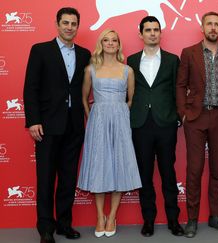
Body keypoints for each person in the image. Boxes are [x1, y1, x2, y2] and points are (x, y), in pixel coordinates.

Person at [23, 7, 91, 243]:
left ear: (77, 26)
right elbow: (30, 88)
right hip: (47, 126)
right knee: (45, 179)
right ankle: (45, 229)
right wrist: (33, 121)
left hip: (74, 126)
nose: (69, 27)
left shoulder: (85, 54)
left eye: (73, 23)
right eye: (65, 23)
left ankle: (64, 224)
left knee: (68, 178)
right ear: (57, 24)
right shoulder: (41, 50)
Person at [77, 29, 141, 238]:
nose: (111, 43)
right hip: (98, 122)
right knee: (99, 167)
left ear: (119, 44)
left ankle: (112, 216)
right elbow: (85, 98)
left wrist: (120, 113)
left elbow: (131, 99)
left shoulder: (127, 71)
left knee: (119, 165)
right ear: (101, 43)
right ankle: (99, 216)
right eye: (106, 40)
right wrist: (93, 116)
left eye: (114, 40)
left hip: (121, 123)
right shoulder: (90, 69)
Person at [176, 11, 218, 238]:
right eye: (209, 24)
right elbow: (180, 85)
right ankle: (191, 220)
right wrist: (183, 113)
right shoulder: (189, 52)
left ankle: (215, 216)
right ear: (202, 28)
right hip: (195, 117)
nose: (213, 28)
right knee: (194, 169)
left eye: (217, 25)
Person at [127, 16, 184, 237]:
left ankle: (173, 220)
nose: (152, 33)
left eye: (156, 30)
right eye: (148, 30)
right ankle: (148, 220)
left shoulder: (172, 60)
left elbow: (177, 91)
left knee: (168, 174)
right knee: (144, 175)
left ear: (161, 33)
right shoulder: (130, 61)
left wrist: (179, 116)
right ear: (141, 34)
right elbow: (127, 92)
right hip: (140, 123)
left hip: (166, 123)